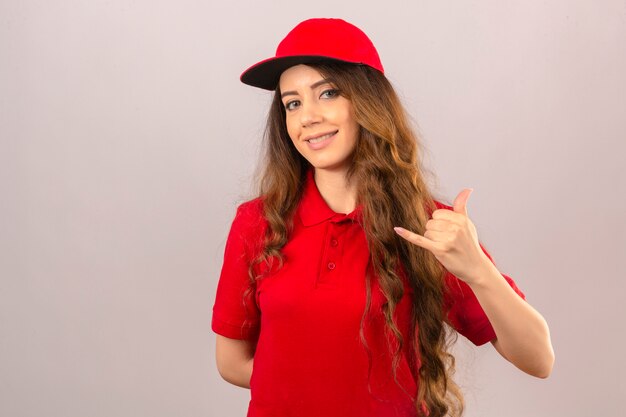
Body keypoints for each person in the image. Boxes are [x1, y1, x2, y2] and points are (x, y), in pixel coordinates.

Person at [211, 17, 554, 417]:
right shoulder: (257, 222)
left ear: (369, 102)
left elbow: (538, 360)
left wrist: (477, 268)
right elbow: (231, 362)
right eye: (293, 103)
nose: (307, 117)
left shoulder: (427, 227)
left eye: (328, 93)